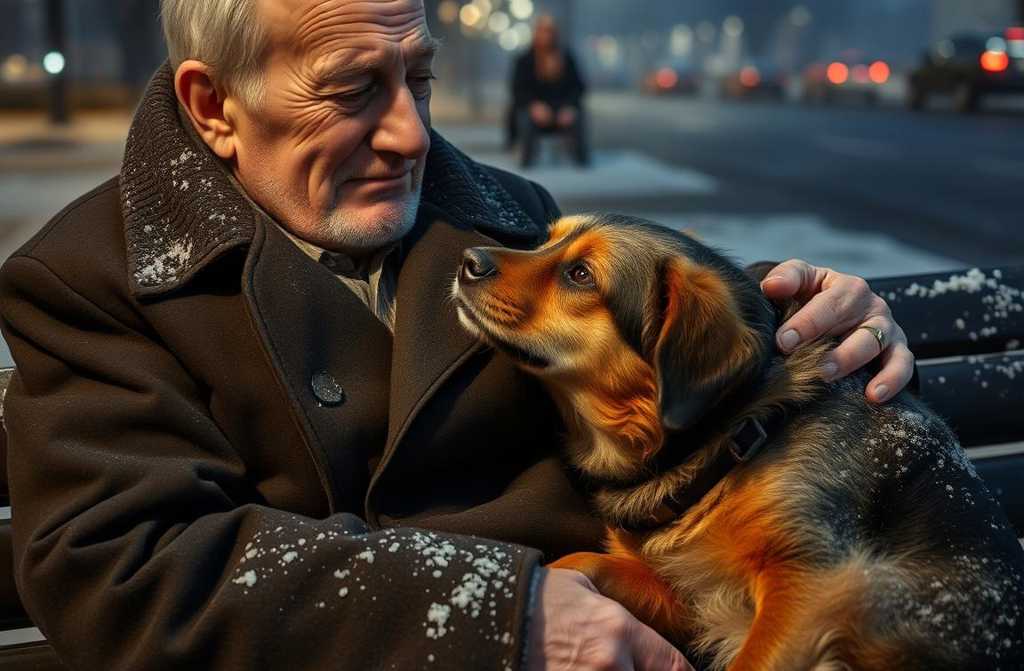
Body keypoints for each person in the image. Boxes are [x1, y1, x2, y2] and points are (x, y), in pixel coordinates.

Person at [0, 1, 914, 669]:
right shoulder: (88, 279)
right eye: (354, 89)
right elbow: (124, 571)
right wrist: (498, 615)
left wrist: (813, 334)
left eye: (419, 78)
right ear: (214, 107)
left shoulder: (514, 222)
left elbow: (660, 382)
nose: (410, 133)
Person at [511, 15, 589, 168]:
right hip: (535, 110)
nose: (547, 35)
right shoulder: (524, 60)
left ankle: (582, 160)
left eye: (550, 31)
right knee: (524, 117)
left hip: (562, 109)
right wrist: (534, 106)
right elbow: (517, 90)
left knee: (578, 115)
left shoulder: (566, 58)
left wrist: (569, 107)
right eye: (543, 31)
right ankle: (526, 162)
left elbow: (579, 87)